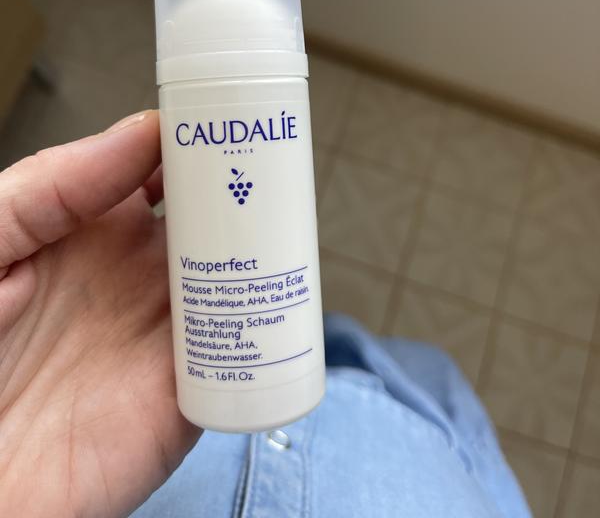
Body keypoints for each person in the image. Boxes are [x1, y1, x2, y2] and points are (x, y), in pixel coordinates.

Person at [0, 111, 531, 517]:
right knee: (421, 376)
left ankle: (335, 350)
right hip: (372, 429)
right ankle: (343, 353)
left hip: (188, 404)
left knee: (383, 365)